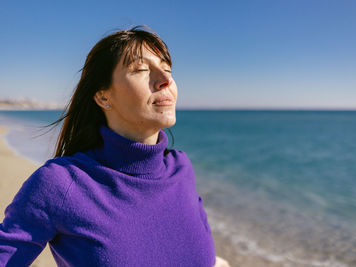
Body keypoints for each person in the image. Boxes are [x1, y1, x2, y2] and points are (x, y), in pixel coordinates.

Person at [0, 26, 230, 267]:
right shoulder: (60, 184)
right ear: (103, 97)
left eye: (167, 69)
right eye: (141, 69)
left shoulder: (181, 167)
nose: (166, 80)